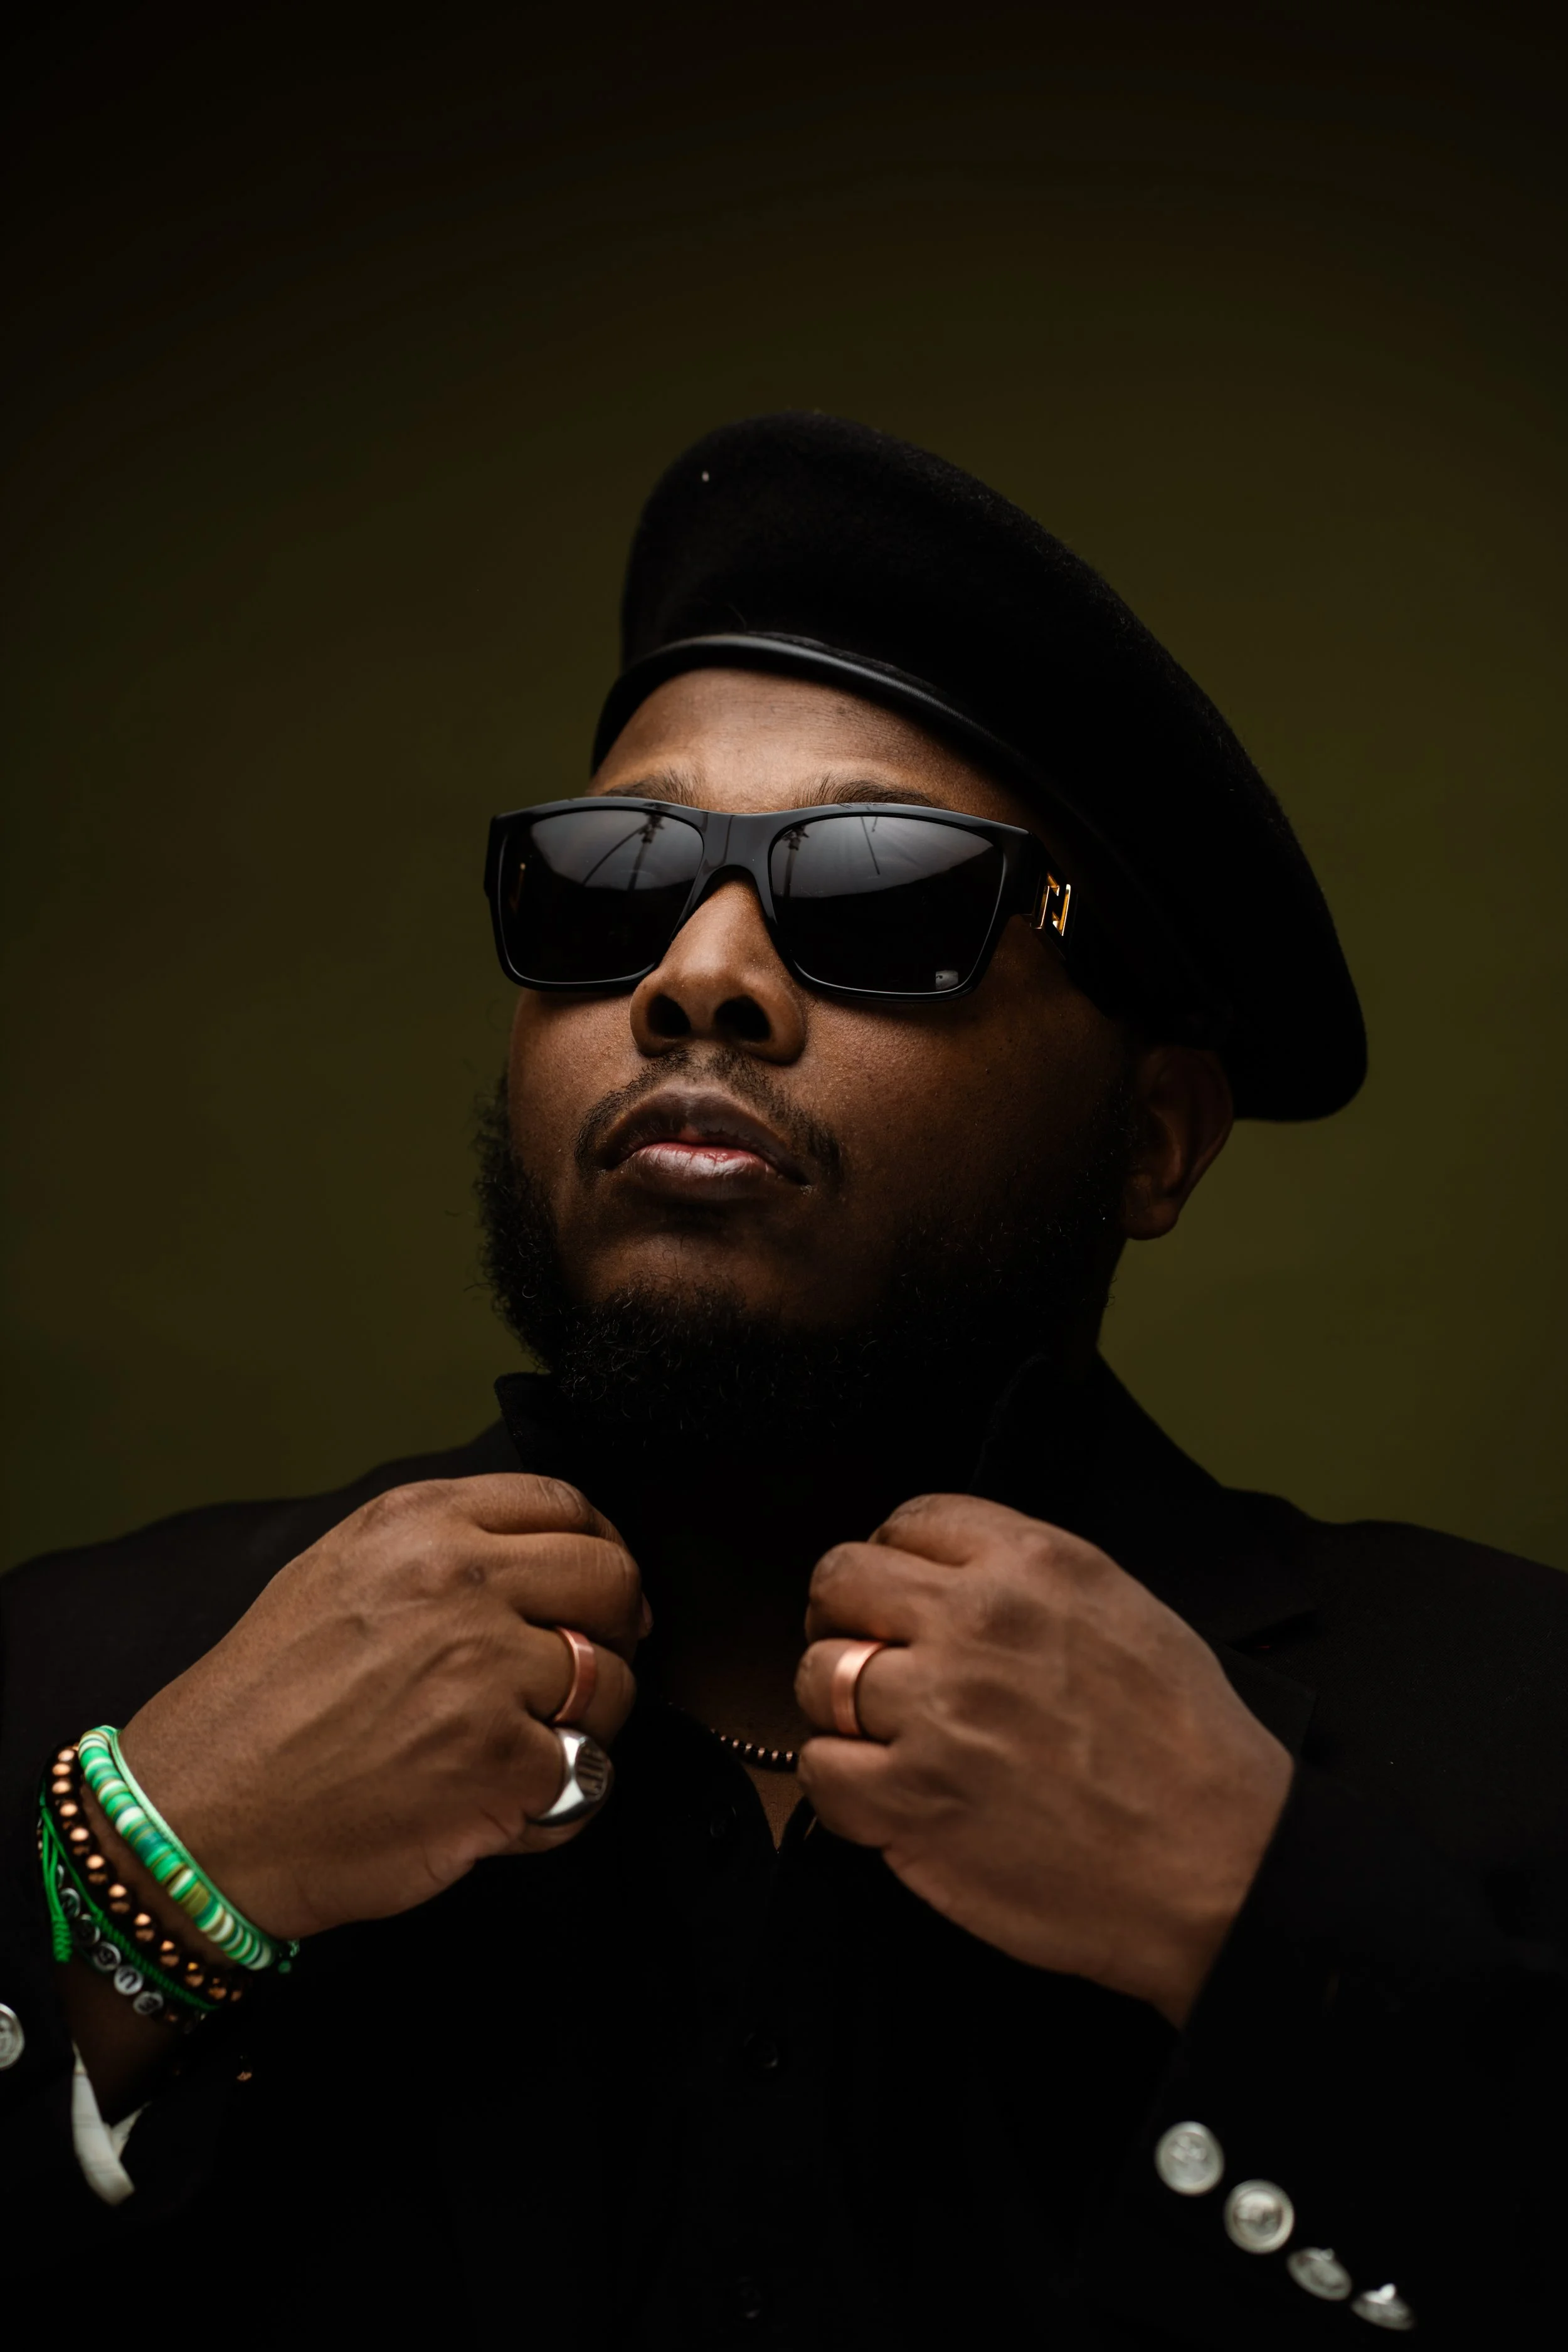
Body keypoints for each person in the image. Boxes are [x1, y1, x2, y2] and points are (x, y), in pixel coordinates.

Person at [1, 413, 1562, 2348]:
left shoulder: (1523, 1735)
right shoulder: (81, 1689)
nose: (697, 974)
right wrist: (156, 1881)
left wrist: (1264, 1921)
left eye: (884, 895)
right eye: (607, 881)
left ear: (1155, 1137)